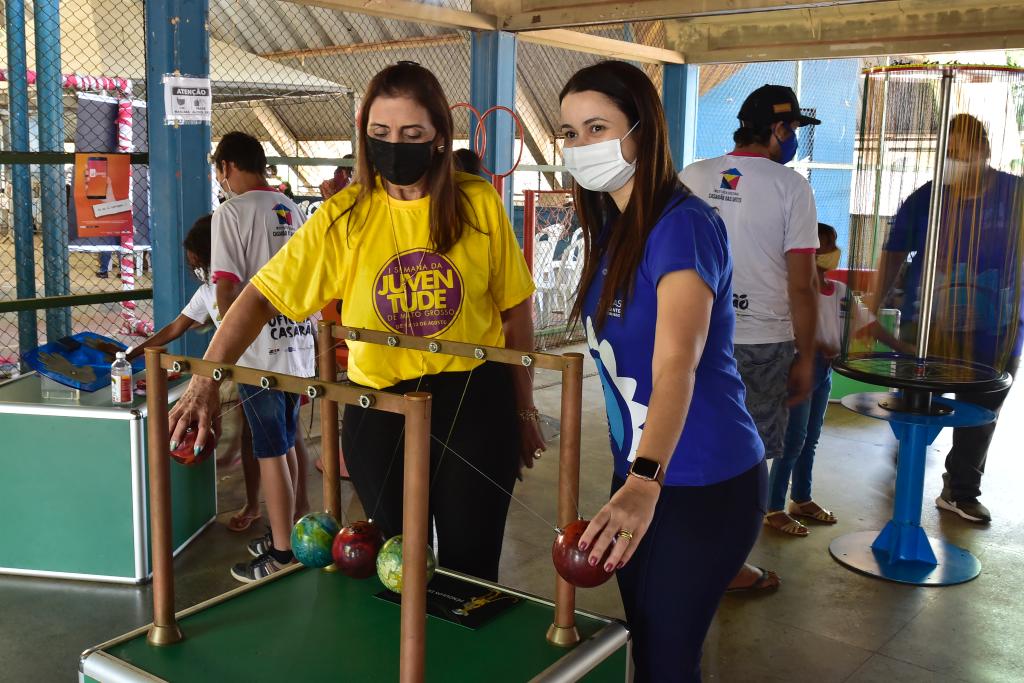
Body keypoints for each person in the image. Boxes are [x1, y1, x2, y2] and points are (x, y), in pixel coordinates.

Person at [168, 62, 544, 583]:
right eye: (381, 133)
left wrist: (523, 409)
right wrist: (205, 380)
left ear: (439, 137)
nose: (395, 146)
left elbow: (515, 310)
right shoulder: (343, 216)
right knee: (394, 565)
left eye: (412, 134)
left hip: (473, 403)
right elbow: (258, 298)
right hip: (381, 406)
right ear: (365, 135)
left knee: (471, 567)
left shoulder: (477, 203)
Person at [561, 60, 766, 682]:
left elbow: (678, 361)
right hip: (643, 475)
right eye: (570, 133)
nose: (581, 145)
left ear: (642, 132)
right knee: (647, 651)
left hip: (700, 481)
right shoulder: (614, 228)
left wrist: (644, 480)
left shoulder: (683, 226)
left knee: (665, 662)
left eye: (598, 127)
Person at [679, 83, 820, 592]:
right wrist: (806, 356)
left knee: (689, 441)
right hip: (762, 341)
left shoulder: (692, 175)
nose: (795, 138)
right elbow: (802, 284)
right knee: (747, 457)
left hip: (692, 335)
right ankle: (730, 564)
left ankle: (686, 548)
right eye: (794, 128)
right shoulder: (791, 187)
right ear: (778, 129)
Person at [173, 131, 315, 582]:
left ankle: (283, 553)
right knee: (287, 441)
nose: (222, 180)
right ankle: (290, 531)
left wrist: (225, 347)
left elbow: (227, 288)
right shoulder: (291, 207)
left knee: (270, 450)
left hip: (258, 350)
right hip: (299, 343)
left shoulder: (230, 213)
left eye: (220, 172)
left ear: (227, 167)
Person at [874, 113, 1023, 523]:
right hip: (927, 331)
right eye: (949, 154)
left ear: (985, 150)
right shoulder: (927, 198)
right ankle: (905, 470)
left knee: (981, 416)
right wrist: (874, 305)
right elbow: (893, 252)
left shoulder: (1015, 195)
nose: (955, 161)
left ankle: (961, 491)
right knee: (916, 409)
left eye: (963, 152)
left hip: (996, 332)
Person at [766, 223, 911, 536]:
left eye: (833, 245)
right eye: (826, 246)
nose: (832, 251)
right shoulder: (791, 290)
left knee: (810, 438)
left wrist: (902, 347)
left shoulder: (839, 291)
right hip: (800, 367)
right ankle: (773, 507)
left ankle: (801, 498)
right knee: (793, 440)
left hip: (825, 370)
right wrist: (816, 345)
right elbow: (785, 329)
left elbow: (869, 323)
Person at [125, 216, 265, 532]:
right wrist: (132, 353)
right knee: (247, 432)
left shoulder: (250, 284)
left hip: (263, 370)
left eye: (201, 264)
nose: (199, 271)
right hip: (234, 372)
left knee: (268, 439)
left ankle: (264, 505)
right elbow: (175, 328)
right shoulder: (207, 292)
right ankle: (252, 497)